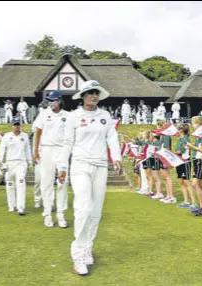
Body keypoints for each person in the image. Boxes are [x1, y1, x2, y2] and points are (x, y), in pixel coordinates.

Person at [57, 80, 122, 276]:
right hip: (80, 164)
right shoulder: (74, 116)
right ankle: (78, 255)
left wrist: (117, 158)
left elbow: (112, 138)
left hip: (100, 165)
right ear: (83, 96)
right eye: (90, 93)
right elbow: (67, 142)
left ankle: (87, 249)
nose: (94, 96)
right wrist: (62, 166)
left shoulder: (105, 116)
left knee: (95, 211)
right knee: (83, 208)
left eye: (97, 93)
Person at [33, 91, 70, 228]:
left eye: (53, 100)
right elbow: (38, 133)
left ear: (59, 101)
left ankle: (61, 213)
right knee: (46, 183)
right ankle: (47, 214)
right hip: (46, 150)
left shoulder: (67, 116)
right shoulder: (43, 114)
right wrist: (35, 151)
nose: (50, 103)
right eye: (49, 100)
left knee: (63, 182)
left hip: (62, 150)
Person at [0, 118, 33, 215]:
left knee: (21, 183)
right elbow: (2, 148)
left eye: (18, 125)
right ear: (12, 126)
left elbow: (27, 149)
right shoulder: (7, 136)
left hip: (21, 163)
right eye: (15, 125)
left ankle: (20, 207)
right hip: (9, 163)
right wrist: (0, 160)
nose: (17, 127)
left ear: (20, 125)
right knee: (9, 184)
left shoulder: (24, 136)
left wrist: (30, 161)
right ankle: (11, 206)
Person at [186, 116, 202, 216]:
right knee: (200, 184)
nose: (192, 125)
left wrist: (192, 147)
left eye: (193, 123)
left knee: (195, 184)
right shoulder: (199, 135)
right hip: (198, 159)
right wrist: (192, 148)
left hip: (200, 160)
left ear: (199, 124)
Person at [174, 124, 199, 211]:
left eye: (178, 129)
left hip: (185, 162)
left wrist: (170, 153)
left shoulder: (185, 139)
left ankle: (194, 203)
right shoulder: (180, 139)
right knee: (182, 182)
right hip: (179, 162)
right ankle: (186, 201)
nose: (177, 130)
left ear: (182, 130)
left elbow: (181, 151)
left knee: (187, 182)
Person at [156, 120, 176, 204]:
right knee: (164, 177)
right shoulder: (162, 136)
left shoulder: (166, 135)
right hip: (162, 156)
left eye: (158, 127)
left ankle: (172, 197)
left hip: (165, 157)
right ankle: (168, 195)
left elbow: (167, 148)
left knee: (167, 177)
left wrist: (165, 159)